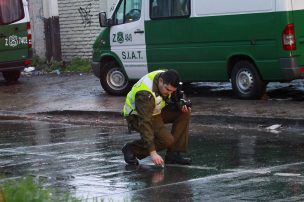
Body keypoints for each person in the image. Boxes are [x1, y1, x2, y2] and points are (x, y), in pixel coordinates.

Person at [122, 69, 192, 166]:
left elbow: (178, 94)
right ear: (161, 81)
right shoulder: (145, 94)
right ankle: (132, 149)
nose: (169, 93)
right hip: (136, 116)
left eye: (172, 91)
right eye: (167, 90)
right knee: (167, 140)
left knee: (184, 113)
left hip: (155, 110)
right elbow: (145, 123)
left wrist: (181, 102)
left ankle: (173, 154)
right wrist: (153, 152)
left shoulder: (166, 77)